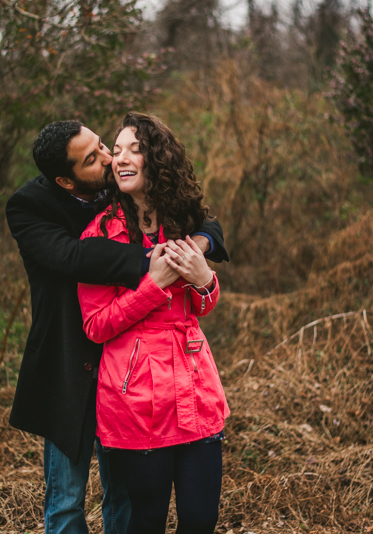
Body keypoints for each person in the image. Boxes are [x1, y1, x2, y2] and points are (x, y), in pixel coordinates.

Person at [5, 120, 229, 534]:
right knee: (67, 501)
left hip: (138, 371)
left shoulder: (122, 187)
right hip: (71, 362)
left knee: (125, 499)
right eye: (93, 158)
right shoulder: (30, 207)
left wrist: (197, 254)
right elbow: (75, 258)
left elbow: (205, 222)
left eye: (104, 145)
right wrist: (154, 266)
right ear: (64, 179)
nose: (110, 158)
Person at [77, 112, 228, 534]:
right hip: (136, 398)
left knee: (201, 520)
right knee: (146, 521)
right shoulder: (100, 235)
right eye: (116, 150)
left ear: (157, 159)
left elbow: (201, 307)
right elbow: (95, 325)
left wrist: (205, 281)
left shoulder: (185, 224)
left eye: (134, 149)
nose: (120, 158)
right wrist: (153, 285)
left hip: (196, 388)